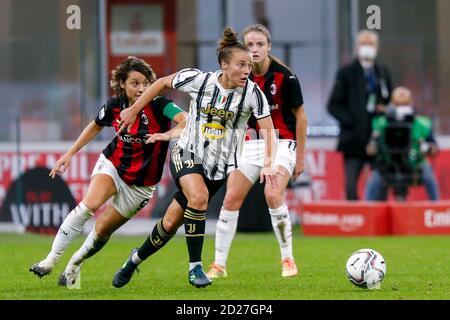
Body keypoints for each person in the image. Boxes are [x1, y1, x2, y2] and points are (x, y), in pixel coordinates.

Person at [112, 27, 280, 289]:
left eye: (249, 65)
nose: (247, 70)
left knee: (169, 224)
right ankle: (195, 268)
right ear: (224, 65)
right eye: (241, 64)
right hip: (186, 150)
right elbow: (160, 83)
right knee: (199, 197)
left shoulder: (253, 93)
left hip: (219, 166)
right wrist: (134, 109)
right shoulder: (199, 80)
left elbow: (269, 130)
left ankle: (133, 260)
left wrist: (269, 161)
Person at [29, 56, 188, 288]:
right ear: (122, 83)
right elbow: (95, 125)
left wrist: (167, 135)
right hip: (113, 165)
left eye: (145, 83)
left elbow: (186, 120)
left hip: (141, 186)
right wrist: (69, 154)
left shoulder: (159, 104)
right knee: (88, 206)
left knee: (102, 230)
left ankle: (75, 263)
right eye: (135, 83)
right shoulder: (115, 104)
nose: (141, 88)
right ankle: (50, 260)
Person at [206, 24, 307, 279]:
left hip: (282, 143)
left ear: (268, 46)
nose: (254, 50)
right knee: (230, 199)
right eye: (249, 45)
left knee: (273, 195)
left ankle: (288, 259)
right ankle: (218, 264)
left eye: (259, 44)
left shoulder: (286, 76)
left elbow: (301, 118)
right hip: (251, 144)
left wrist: (301, 157)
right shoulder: (241, 76)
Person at [327, 30, 393, 200]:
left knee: (380, 184)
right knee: (351, 186)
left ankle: (378, 221)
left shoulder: (383, 72)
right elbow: (333, 105)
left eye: (370, 44)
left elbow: (392, 100)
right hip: (353, 140)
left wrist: (385, 111)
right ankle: (355, 219)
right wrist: (352, 122)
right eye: (363, 44)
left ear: (377, 47)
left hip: (378, 139)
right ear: (357, 47)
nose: (367, 48)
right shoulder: (346, 72)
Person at [365, 86, 439, 201]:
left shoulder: (422, 124)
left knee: (428, 174)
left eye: (404, 105)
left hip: (415, 163)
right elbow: (370, 148)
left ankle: (437, 210)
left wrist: (428, 148)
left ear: (411, 104)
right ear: (391, 105)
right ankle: (367, 214)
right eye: (398, 105)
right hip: (387, 164)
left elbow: (434, 148)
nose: (401, 109)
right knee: (375, 179)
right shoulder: (380, 123)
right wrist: (372, 148)